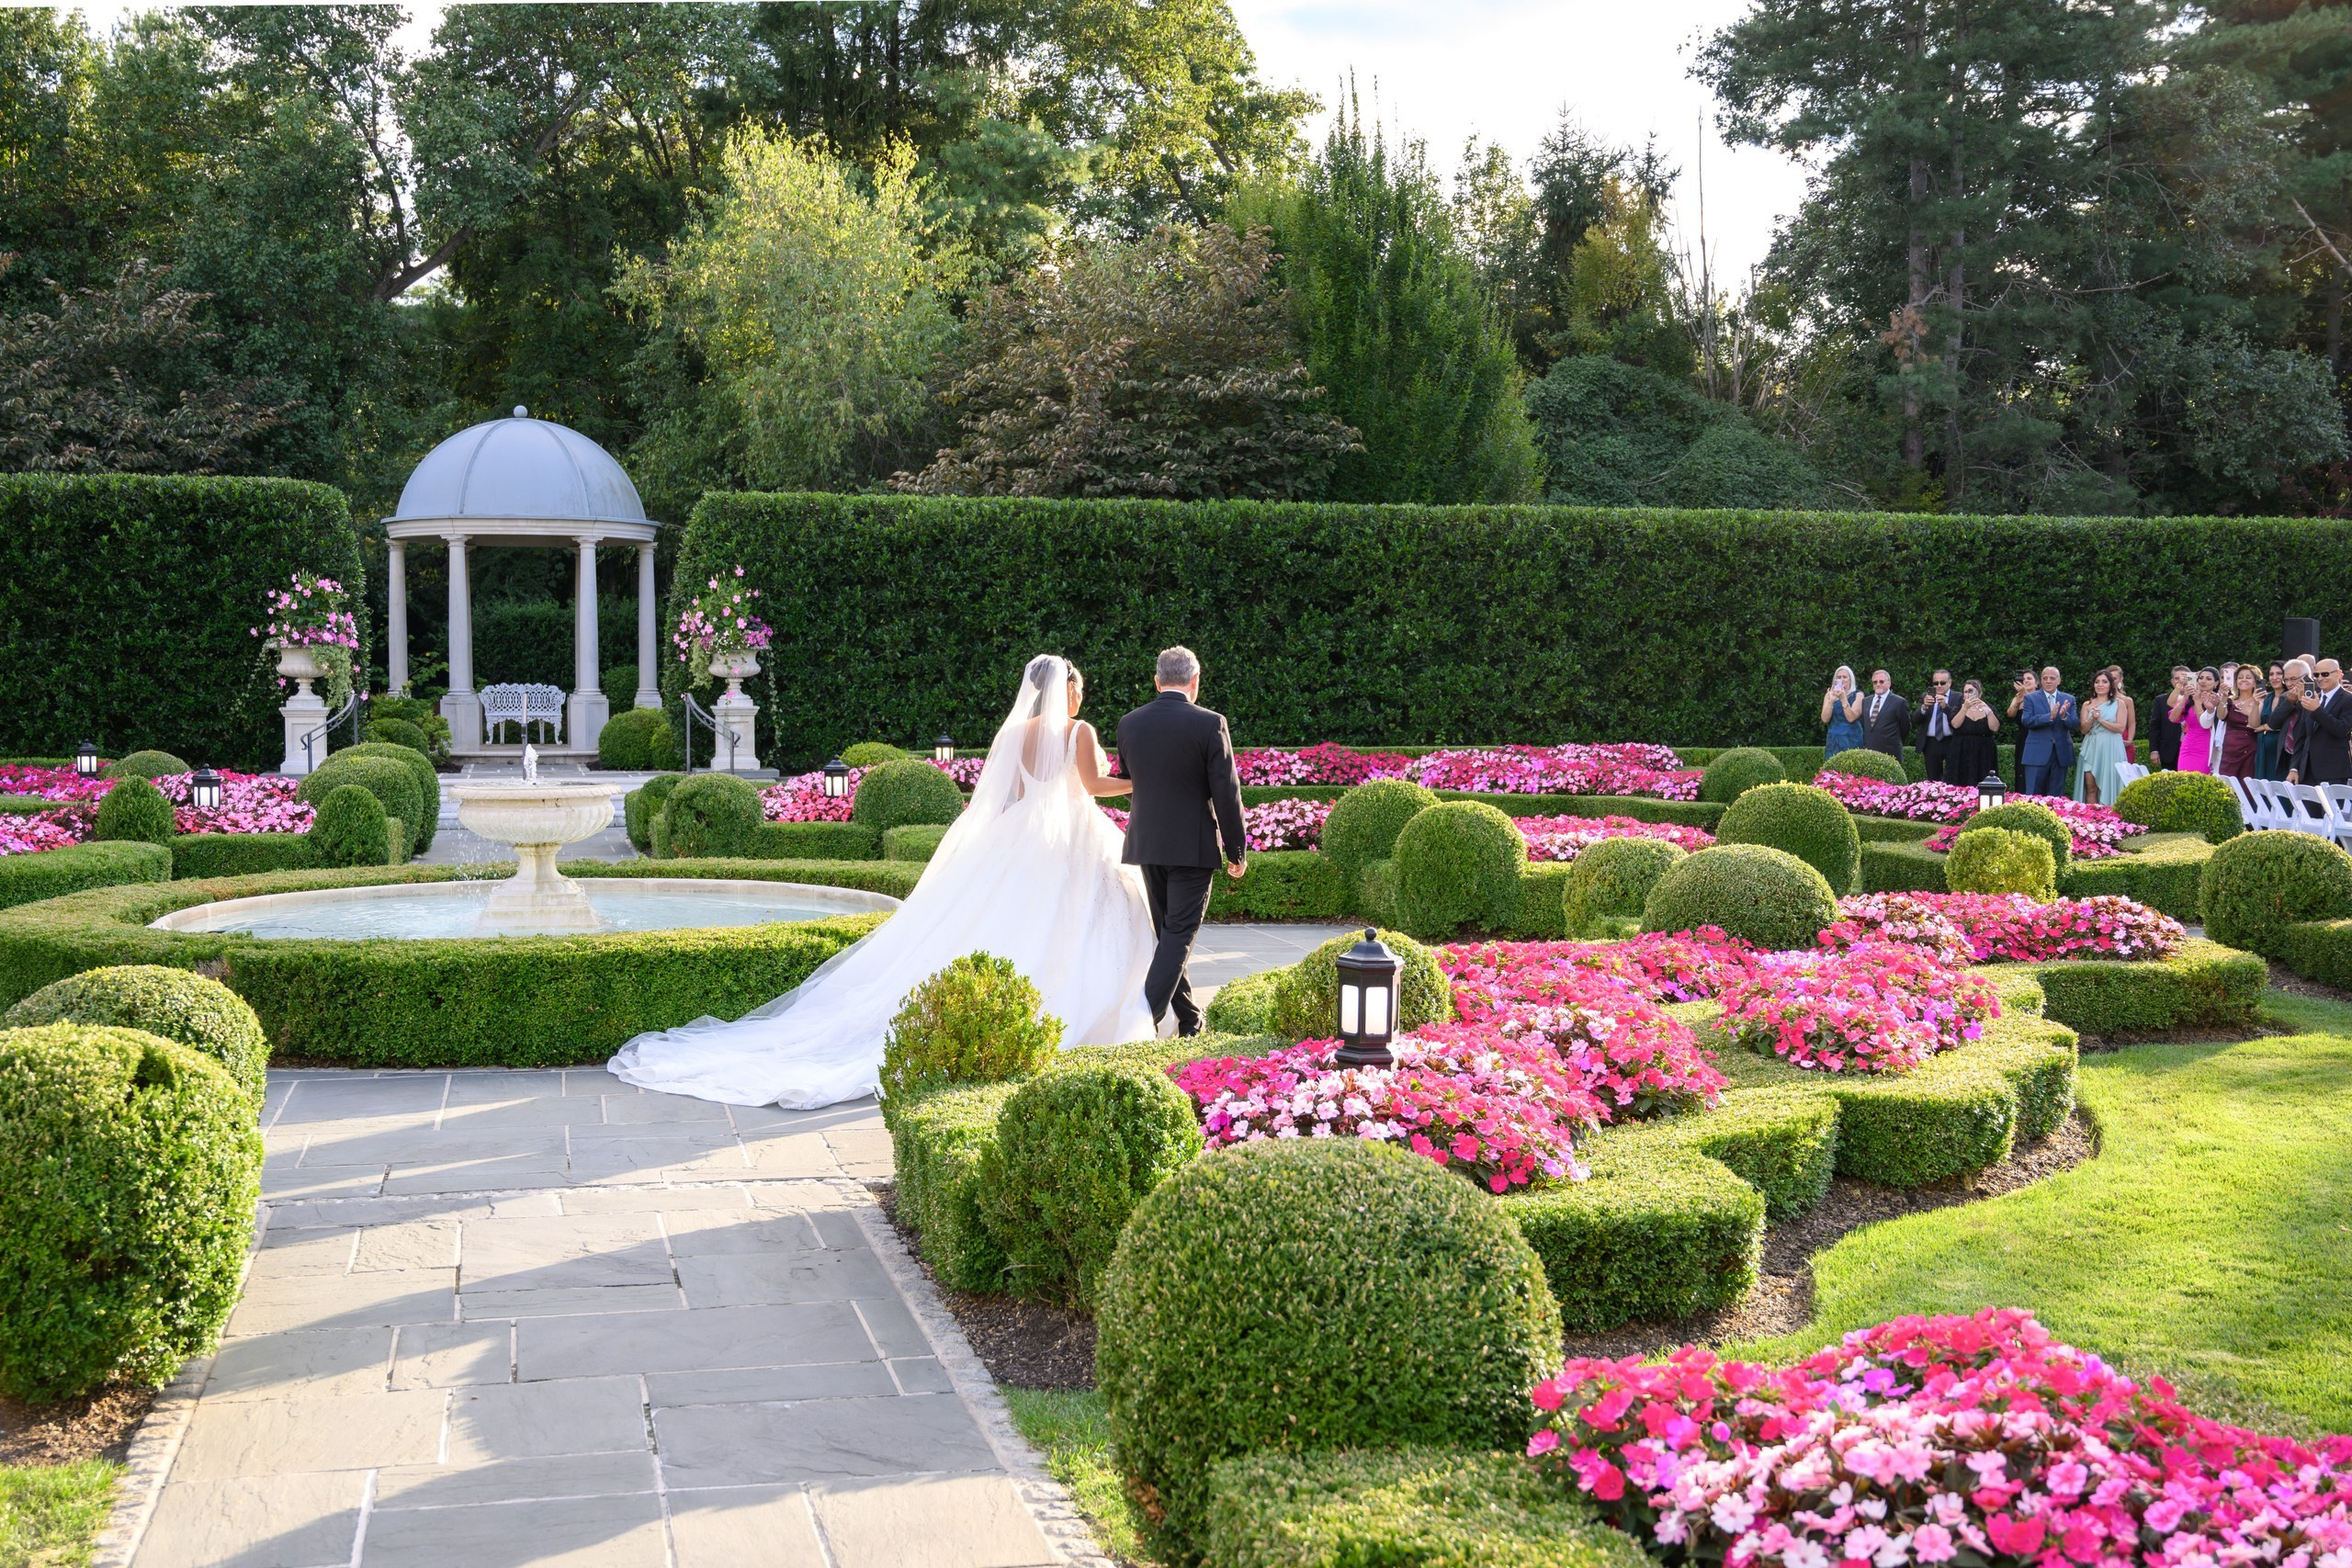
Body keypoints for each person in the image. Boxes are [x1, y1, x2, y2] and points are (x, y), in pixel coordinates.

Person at [606, 654, 1159, 1108]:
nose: (1080, 698)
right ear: (1066, 692)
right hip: (1068, 839)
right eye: (1077, 689)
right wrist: (1139, 781)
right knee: (1085, 919)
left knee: (1010, 924)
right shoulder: (1078, 730)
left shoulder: (1014, 734)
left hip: (1021, 839)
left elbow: (1009, 798)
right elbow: (1091, 785)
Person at [1117, 645, 1250, 1035]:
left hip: (1146, 841)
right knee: (1178, 936)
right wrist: (1236, 849)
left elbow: (1130, 781)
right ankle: (1143, 1020)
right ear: (1195, 681)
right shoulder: (1210, 723)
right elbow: (1226, 792)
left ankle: (1190, 1021)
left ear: (1157, 681)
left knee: (1169, 936)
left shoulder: (1129, 723)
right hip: (1191, 846)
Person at [2290, 656, 2352, 786]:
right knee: (2306, 807)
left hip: (2333, 771)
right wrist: (2294, 767)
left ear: (2339, 674)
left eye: (2325, 674)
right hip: (2307, 771)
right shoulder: (2311, 698)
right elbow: (2302, 736)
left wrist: (2317, 710)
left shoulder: (2348, 699)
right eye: (2316, 675)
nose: (2320, 678)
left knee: (2332, 808)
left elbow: (2341, 729)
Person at [2074, 667, 2132, 804]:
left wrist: (2100, 720)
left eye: (2104, 682)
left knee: (2110, 785)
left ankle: (2110, 820)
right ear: (2093, 685)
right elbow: (2083, 729)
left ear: (2111, 685)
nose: (2100, 685)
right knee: (2090, 786)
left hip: (2111, 747)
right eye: (2097, 682)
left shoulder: (2119, 703)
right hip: (2092, 746)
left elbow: (2120, 728)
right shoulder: (2087, 705)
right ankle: (2091, 820)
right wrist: (2092, 718)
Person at [2017, 666, 2076, 797]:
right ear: (2041, 681)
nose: (2048, 681)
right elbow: (2026, 721)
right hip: (2036, 753)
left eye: (2052, 678)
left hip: (2060, 753)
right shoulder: (2030, 698)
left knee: (2056, 796)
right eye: (2045, 678)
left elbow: (2076, 724)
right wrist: (2049, 716)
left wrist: (2064, 716)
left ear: (2059, 680)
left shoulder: (2069, 699)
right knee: (2033, 796)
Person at [1946, 679, 2001, 787]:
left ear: (1979, 693)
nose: (1968, 694)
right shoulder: (1958, 708)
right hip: (1961, 750)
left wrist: (1988, 711)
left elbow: (1995, 728)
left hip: (1984, 752)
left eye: (1971, 691)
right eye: (1965, 692)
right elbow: (1955, 725)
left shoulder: (1988, 707)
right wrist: (1965, 708)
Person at [2217, 663, 2264, 780]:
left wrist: (2250, 710)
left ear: (2255, 681)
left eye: (2248, 677)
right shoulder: (2230, 700)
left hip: (2250, 749)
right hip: (2230, 748)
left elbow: (2255, 724)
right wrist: (2223, 697)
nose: (2243, 680)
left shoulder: (2261, 701)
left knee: (2246, 784)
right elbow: (2221, 716)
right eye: (2240, 677)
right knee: (2226, 784)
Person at [1916, 668, 1961, 784]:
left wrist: (1945, 706)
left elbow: (1959, 718)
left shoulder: (1958, 697)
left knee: (1953, 776)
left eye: (1943, 683)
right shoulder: (1926, 696)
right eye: (1936, 683)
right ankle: (1936, 800)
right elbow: (1915, 719)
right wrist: (1924, 707)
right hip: (1931, 742)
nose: (1939, 686)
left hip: (1951, 740)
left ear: (1950, 683)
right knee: (1933, 779)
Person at [1858, 668, 1911, 763]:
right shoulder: (1865, 701)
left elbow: (1905, 728)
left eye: (1881, 681)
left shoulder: (1899, 702)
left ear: (1889, 683)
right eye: (1875, 682)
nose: (1878, 684)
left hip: (1891, 753)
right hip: (1869, 753)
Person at [2175, 667, 2219, 774]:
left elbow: (2204, 724)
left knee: (2202, 779)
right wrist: (2185, 696)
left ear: (2216, 683)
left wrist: (2197, 701)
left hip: (2206, 745)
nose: (2203, 681)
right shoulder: (2189, 699)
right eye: (2201, 678)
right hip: (2188, 744)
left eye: (2208, 679)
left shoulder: (2217, 700)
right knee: (2183, 778)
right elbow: (2173, 718)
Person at [2151, 666, 2191, 770]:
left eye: (2184, 677)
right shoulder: (2161, 700)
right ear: (2172, 681)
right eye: (2177, 678)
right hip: (2169, 750)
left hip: (2192, 748)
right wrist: (2154, 750)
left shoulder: (2196, 699)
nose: (2181, 681)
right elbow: (2155, 726)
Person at [1822, 667, 1866, 758]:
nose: (1842, 679)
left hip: (1852, 739)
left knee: (1853, 770)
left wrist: (1843, 698)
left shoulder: (1858, 695)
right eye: (1839, 677)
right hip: (1834, 741)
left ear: (1850, 680)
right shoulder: (1829, 695)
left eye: (1845, 677)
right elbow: (1825, 719)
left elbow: (1851, 718)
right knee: (1832, 770)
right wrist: (1831, 701)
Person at [2260, 662, 2293, 781]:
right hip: (2265, 749)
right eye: (2271, 674)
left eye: (2279, 673)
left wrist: (2263, 726)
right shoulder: (2267, 697)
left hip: (2283, 751)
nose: (2274, 678)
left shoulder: (2292, 697)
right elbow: (2253, 724)